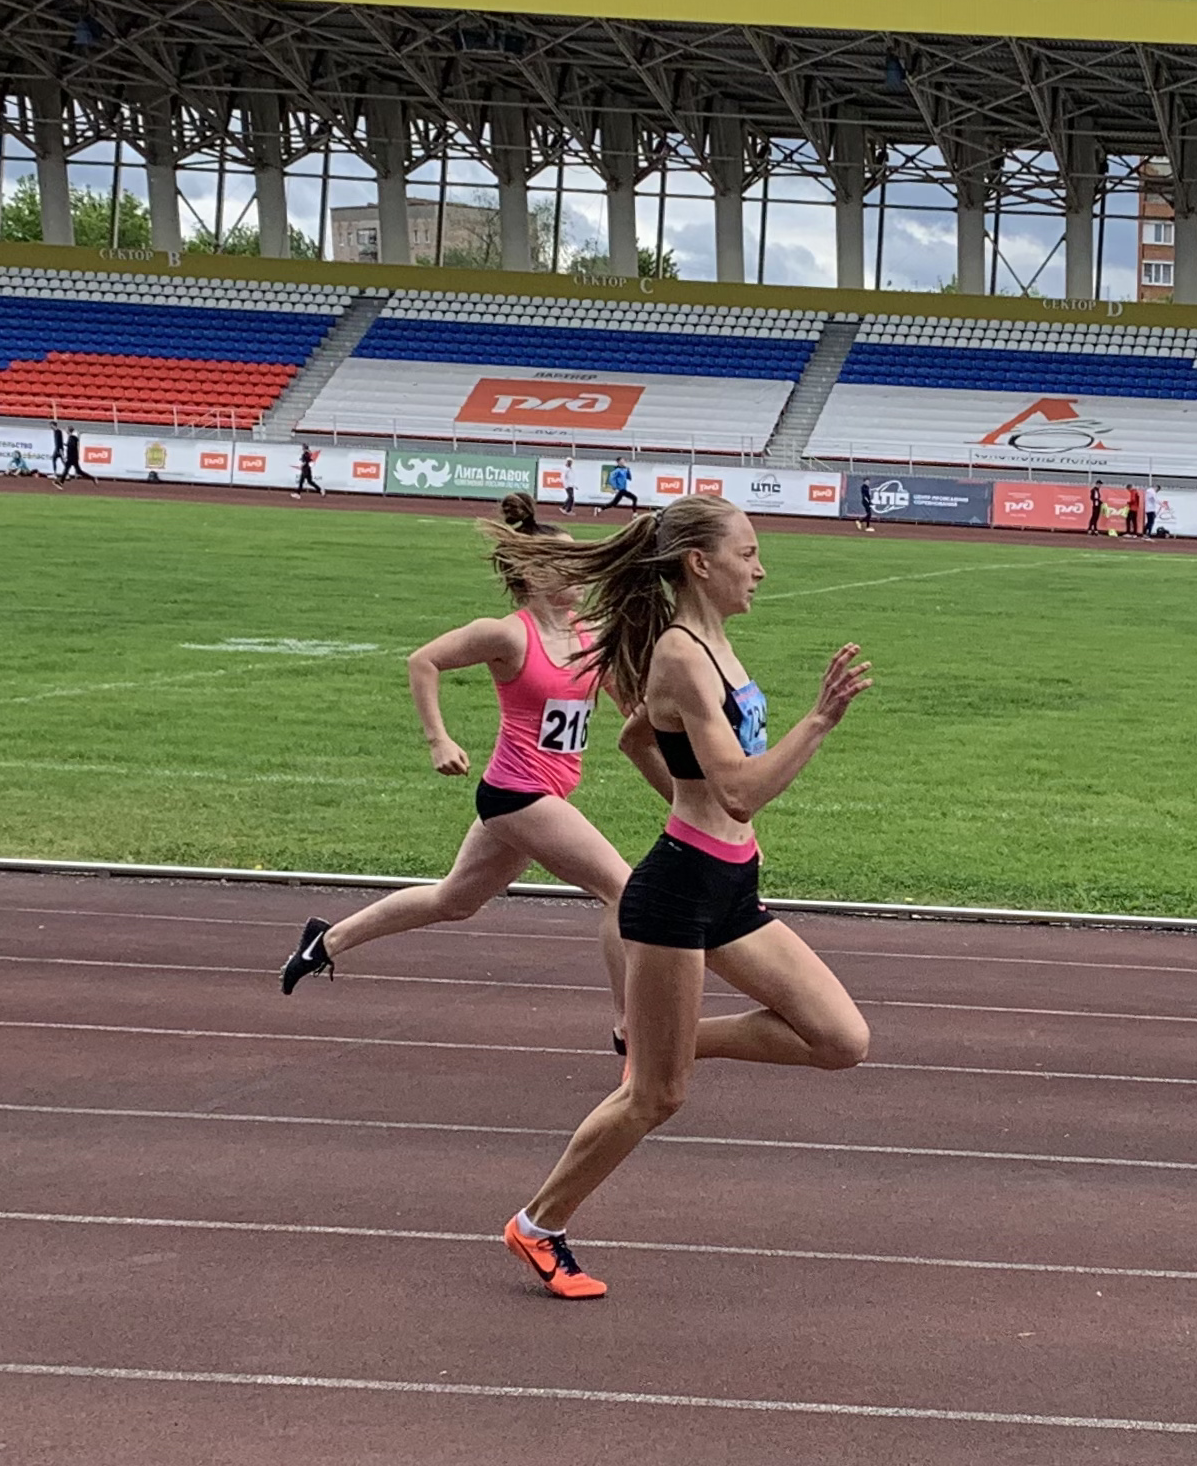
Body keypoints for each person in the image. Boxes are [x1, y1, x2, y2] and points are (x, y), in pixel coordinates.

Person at [504, 495, 873, 1298]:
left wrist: (689, 799)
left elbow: (638, 736)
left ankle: (658, 1034)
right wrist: (816, 723)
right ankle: (538, 1225)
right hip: (676, 893)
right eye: (747, 552)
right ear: (699, 563)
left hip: (729, 883)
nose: (760, 567)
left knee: (840, 1040)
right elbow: (739, 792)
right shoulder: (679, 654)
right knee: (656, 1096)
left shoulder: (714, 644)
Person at [281, 491, 648, 1045]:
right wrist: (438, 740)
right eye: (565, 561)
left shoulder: (586, 633)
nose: (579, 571)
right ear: (530, 572)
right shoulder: (506, 634)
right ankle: (630, 1027)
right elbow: (423, 660)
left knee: (454, 900)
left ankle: (323, 941)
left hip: (545, 794)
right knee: (623, 889)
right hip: (516, 795)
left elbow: (625, 702)